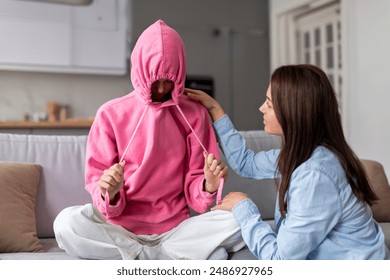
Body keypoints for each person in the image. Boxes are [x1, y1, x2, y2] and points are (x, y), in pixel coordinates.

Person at [53, 20, 245, 260]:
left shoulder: (194, 114)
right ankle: (158, 255)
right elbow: (97, 183)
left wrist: (209, 184)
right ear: (140, 70)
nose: (163, 88)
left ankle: (142, 256)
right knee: (66, 223)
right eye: (156, 80)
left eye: (169, 80)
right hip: (120, 228)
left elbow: (197, 198)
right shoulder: (110, 114)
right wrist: (110, 192)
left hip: (175, 229)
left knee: (242, 218)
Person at [185, 64, 390, 260]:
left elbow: (280, 260)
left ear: (294, 112)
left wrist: (243, 207)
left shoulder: (314, 174)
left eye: (269, 104)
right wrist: (215, 109)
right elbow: (246, 163)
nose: (261, 108)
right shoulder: (302, 154)